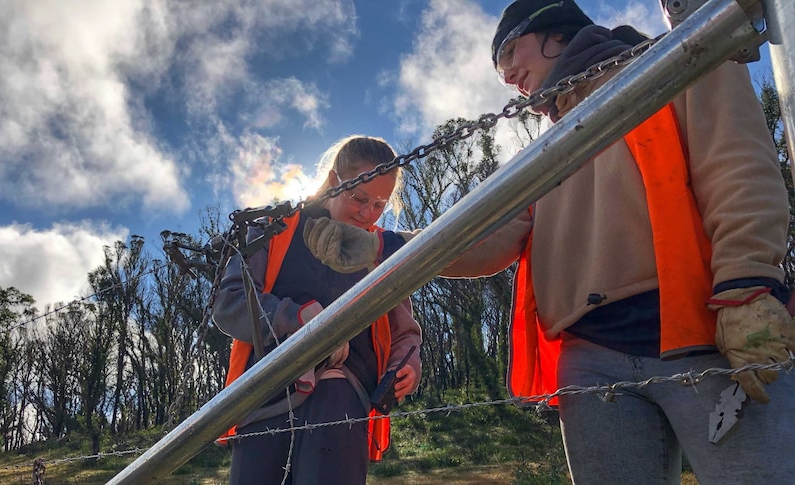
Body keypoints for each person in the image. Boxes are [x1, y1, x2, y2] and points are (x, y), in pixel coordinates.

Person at [302, 1, 795, 483]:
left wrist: (748, 286)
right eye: (499, 67)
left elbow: (737, 169)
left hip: (711, 327)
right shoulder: (546, 150)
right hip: (591, 359)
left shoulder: (672, 61)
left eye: (511, 52)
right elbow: (489, 238)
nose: (507, 73)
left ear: (554, 31)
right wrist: (382, 249)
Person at [211, 134, 422, 485]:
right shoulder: (273, 229)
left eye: (379, 205)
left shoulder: (381, 249)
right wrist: (301, 319)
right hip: (266, 396)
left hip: (344, 398)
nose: (368, 213)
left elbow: (405, 332)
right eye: (359, 198)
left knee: (334, 394)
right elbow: (228, 303)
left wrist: (408, 364)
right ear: (334, 180)